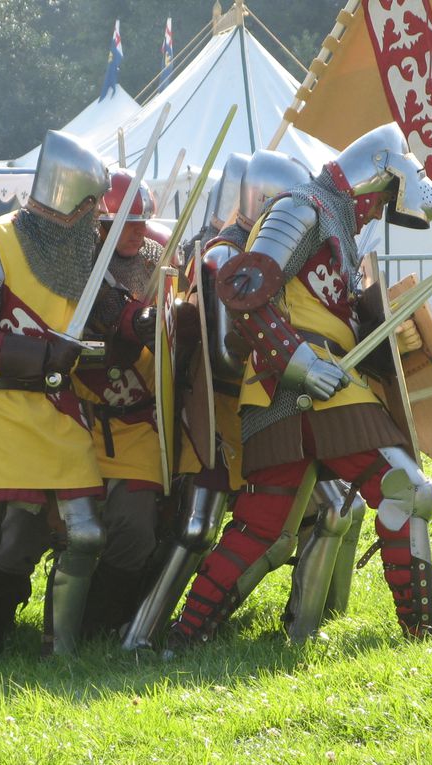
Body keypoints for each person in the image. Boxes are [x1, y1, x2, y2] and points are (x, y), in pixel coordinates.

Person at [169, 123, 432, 648]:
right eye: (386, 195)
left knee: (261, 525)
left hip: (308, 385)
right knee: (407, 490)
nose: (380, 209)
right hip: (301, 382)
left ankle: (186, 636)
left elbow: (339, 323)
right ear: (377, 178)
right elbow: (245, 287)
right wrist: (296, 360)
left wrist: (395, 332)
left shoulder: (338, 224)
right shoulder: (302, 206)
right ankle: (423, 634)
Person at [0, 170, 168, 648]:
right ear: (97, 223)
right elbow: (103, 310)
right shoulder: (70, 262)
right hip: (67, 415)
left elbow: (151, 325)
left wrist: (165, 319)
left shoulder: (161, 261)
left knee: (135, 529)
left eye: (141, 221)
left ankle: (91, 627)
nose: (137, 231)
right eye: (124, 222)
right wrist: (129, 321)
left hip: (133, 420)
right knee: (23, 531)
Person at [0, 130, 109, 664]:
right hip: (0, 411)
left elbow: (108, 308)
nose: (97, 213)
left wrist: (138, 321)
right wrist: (39, 355)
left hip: (60, 413)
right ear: (74, 198)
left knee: (86, 535)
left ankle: (64, 655)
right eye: (93, 203)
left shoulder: (82, 249)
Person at [122, 149, 313, 651]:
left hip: (266, 404)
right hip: (218, 409)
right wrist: (295, 361)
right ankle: (140, 633)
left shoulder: (274, 254)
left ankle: (295, 624)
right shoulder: (225, 256)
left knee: (325, 508)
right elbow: (229, 354)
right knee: (197, 527)